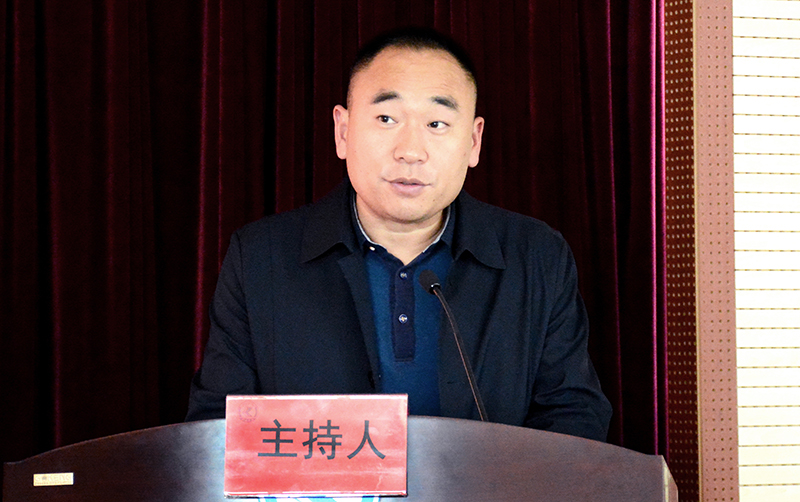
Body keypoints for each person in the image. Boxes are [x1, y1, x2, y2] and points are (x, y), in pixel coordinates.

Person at [186, 27, 612, 442]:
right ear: (343, 131)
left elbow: (573, 417)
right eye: (386, 118)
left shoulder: (536, 257)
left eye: (437, 123)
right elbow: (217, 431)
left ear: (473, 141)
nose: (410, 151)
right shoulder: (261, 259)